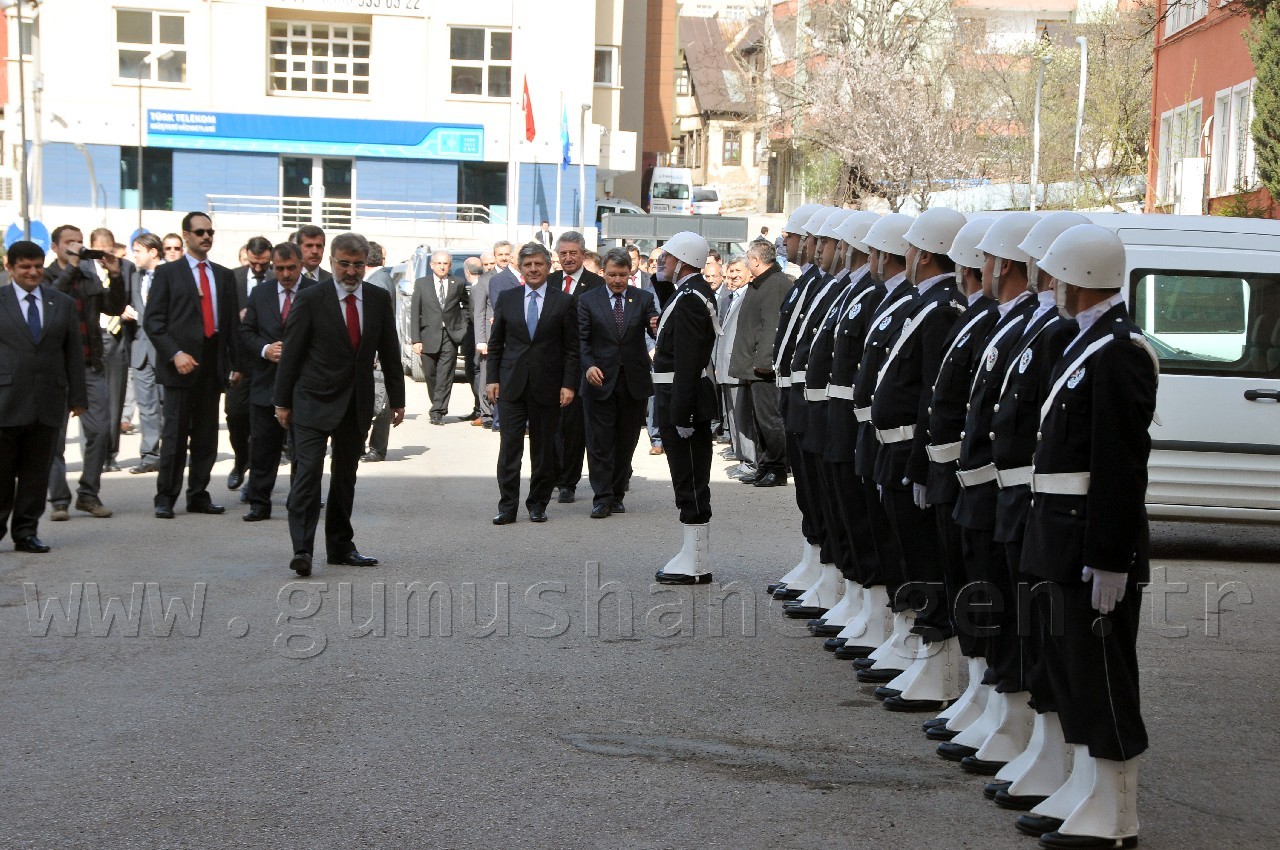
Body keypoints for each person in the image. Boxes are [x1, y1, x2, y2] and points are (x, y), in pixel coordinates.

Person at [1015, 224, 1156, 849]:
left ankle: (1118, 814)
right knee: (1070, 670)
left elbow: (1121, 465)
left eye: (1055, 277)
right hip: (1057, 534)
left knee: (1102, 675)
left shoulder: (1119, 351)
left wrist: (1110, 558)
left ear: (1078, 281)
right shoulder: (1084, 342)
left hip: (1087, 543)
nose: (1048, 285)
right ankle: (1085, 786)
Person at [865, 207, 969, 712]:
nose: (903, 254)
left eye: (910, 246)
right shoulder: (926, 303)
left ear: (925, 251)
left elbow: (934, 393)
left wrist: (925, 463)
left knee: (926, 560)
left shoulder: (942, 307)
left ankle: (937, 663)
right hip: (896, 445)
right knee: (908, 555)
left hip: (912, 447)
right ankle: (920, 649)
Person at [274, 232, 405, 576]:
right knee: (307, 477)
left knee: (345, 478)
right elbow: (292, 355)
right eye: (344, 264)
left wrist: (398, 399)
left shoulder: (377, 299)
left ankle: (340, 547)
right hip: (312, 402)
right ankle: (302, 549)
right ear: (332, 262)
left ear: (367, 265)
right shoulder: (310, 298)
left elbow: (390, 351)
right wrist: (282, 402)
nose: (351, 271)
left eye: (357, 265)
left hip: (355, 404)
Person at [144, 211, 243, 519]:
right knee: (174, 435)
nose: (206, 237)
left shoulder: (223, 275)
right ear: (185, 235)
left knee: (206, 436)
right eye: (199, 232)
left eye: (210, 232)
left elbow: (230, 326)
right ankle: (166, 496)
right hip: (180, 366)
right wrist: (175, 354)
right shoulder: (168, 273)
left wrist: (236, 363)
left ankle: (198, 493)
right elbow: (154, 322)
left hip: (211, 365)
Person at [0, 240, 88, 553]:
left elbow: (73, 354)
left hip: (48, 401)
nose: (33, 272)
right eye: (25, 267)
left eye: (37, 266)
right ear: (10, 268)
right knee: (2, 473)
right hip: (5, 402)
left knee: (36, 474)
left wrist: (78, 397)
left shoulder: (60, 303)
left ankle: (26, 532)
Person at [487, 242, 579, 525]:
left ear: (548, 267)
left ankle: (538, 503)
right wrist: (491, 378)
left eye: (539, 264)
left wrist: (568, 384)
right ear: (520, 268)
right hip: (511, 385)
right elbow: (496, 344)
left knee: (543, 450)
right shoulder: (507, 298)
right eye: (528, 265)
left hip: (548, 387)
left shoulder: (562, 301)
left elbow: (571, 349)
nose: (533, 269)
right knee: (509, 449)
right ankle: (507, 507)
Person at [44, 224, 127, 522]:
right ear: (55, 247)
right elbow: (50, 303)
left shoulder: (91, 276)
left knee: (100, 431)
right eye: (70, 243)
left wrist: (115, 274)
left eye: (80, 242)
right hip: (55, 370)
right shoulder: (46, 276)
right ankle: (59, 500)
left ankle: (88, 495)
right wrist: (73, 268)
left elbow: (115, 307)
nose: (77, 247)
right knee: (54, 439)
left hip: (90, 366)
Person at [652, 232, 719, 585]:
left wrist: (683, 414)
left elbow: (690, 361)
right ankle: (692, 554)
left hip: (683, 401)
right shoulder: (687, 294)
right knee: (685, 479)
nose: (660, 262)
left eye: (667, 257)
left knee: (690, 481)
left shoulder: (692, 299)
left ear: (683, 261)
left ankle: (697, 561)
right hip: (676, 398)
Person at [578, 247, 659, 518]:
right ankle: (601, 497)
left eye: (622, 275)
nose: (617, 280)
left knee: (626, 441)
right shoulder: (588, 301)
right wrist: (588, 366)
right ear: (603, 273)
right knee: (600, 442)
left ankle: (617, 493)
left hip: (632, 382)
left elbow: (652, 328)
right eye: (612, 274)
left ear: (630, 273)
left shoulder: (644, 299)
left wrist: (656, 325)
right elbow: (582, 340)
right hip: (599, 381)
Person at [239, 241, 316, 521]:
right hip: (265, 384)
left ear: (301, 265)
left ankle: (301, 502)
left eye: (291, 268)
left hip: (304, 385)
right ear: (273, 267)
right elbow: (246, 331)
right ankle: (259, 503)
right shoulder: (260, 293)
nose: (285, 274)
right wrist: (265, 349)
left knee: (303, 450)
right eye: (279, 268)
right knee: (263, 448)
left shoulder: (315, 292)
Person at [547, 231, 604, 504]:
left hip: (580, 365)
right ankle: (550, 475)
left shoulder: (596, 284)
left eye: (573, 253)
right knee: (549, 425)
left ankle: (568, 482)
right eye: (563, 253)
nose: (568, 258)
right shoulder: (548, 281)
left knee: (573, 427)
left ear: (583, 255)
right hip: (549, 364)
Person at [728, 240, 791, 487]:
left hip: (763, 367)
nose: (746, 262)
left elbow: (771, 326)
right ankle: (765, 465)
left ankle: (777, 467)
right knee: (759, 421)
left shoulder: (776, 284)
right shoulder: (761, 283)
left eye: (748, 258)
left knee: (770, 419)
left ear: (755, 260)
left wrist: (765, 361)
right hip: (752, 366)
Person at [226, 235, 274, 496]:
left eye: (263, 264)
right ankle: (240, 459)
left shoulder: (276, 280)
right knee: (235, 415)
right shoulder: (232, 279)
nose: (258, 269)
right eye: (254, 263)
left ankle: (254, 480)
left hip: (265, 361)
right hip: (238, 362)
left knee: (261, 425)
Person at [88, 227, 136, 474]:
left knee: (115, 399)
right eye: (99, 251)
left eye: (108, 250)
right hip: (93, 339)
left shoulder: (126, 268)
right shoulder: (84, 270)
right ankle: (94, 450)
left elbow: (135, 297)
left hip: (118, 338)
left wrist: (131, 311)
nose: (104, 256)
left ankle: (111, 454)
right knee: (92, 400)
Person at [411, 250, 470, 425]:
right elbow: (415, 312)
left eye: (445, 264)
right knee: (430, 374)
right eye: (439, 263)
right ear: (432, 265)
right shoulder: (422, 284)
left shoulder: (458, 283)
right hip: (428, 334)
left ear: (450, 266)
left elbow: (466, 305)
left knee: (446, 374)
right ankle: (437, 401)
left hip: (450, 335)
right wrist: (416, 340)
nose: (442, 266)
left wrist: (463, 325)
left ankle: (438, 410)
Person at [124, 233, 166, 475]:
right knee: (147, 406)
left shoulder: (170, 275)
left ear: (153, 251)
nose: (135, 256)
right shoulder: (133, 277)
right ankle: (149, 455)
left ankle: (169, 453)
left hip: (164, 352)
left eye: (138, 250)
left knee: (167, 405)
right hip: (140, 351)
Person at [363, 241, 395, 461]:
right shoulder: (378, 279)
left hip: (376, 357)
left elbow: (376, 325)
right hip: (375, 355)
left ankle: (377, 448)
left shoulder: (378, 282)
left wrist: (373, 355)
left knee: (380, 402)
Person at [459, 256, 485, 422]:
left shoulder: (478, 288)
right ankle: (478, 408)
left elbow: (477, 315)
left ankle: (483, 410)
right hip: (474, 337)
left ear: (467, 272)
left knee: (475, 371)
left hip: (478, 338)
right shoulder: (478, 286)